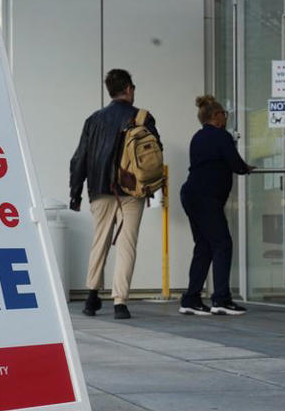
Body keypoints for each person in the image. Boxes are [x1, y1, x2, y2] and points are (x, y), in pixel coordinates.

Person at [69, 69, 161, 320]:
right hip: (132, 191)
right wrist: (152, 189)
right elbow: (153, 157)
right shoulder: (143, 118)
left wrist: (75, 194)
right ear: (129, 89)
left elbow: (80, 159)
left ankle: (91, 297)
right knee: (126, 245)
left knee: (100, 241)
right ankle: (120, 303)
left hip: (100, 190)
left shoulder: (94, 120)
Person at [179, 95, 253, 316]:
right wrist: (246, 168)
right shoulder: (221, 136)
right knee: (222, 243)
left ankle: (191, 299)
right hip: (206, 198)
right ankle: (221, 299)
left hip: (191, 194)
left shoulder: (198, 137)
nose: (226, 118)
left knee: (204, 245)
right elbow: (235, 163)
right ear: (216, 116)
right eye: (225, 114)